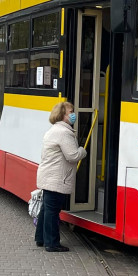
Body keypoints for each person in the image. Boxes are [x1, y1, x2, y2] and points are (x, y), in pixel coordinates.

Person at [34, 101, 86, 252]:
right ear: (63, 115)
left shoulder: (54, 130)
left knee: (46, 209)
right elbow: (73, 155)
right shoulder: (64, 133)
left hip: (49, 176)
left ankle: (41, 238)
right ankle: (52, 243)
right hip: (57, 178)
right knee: (52, 211)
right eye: (71, 112)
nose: (73, 114)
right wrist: (83, 151)